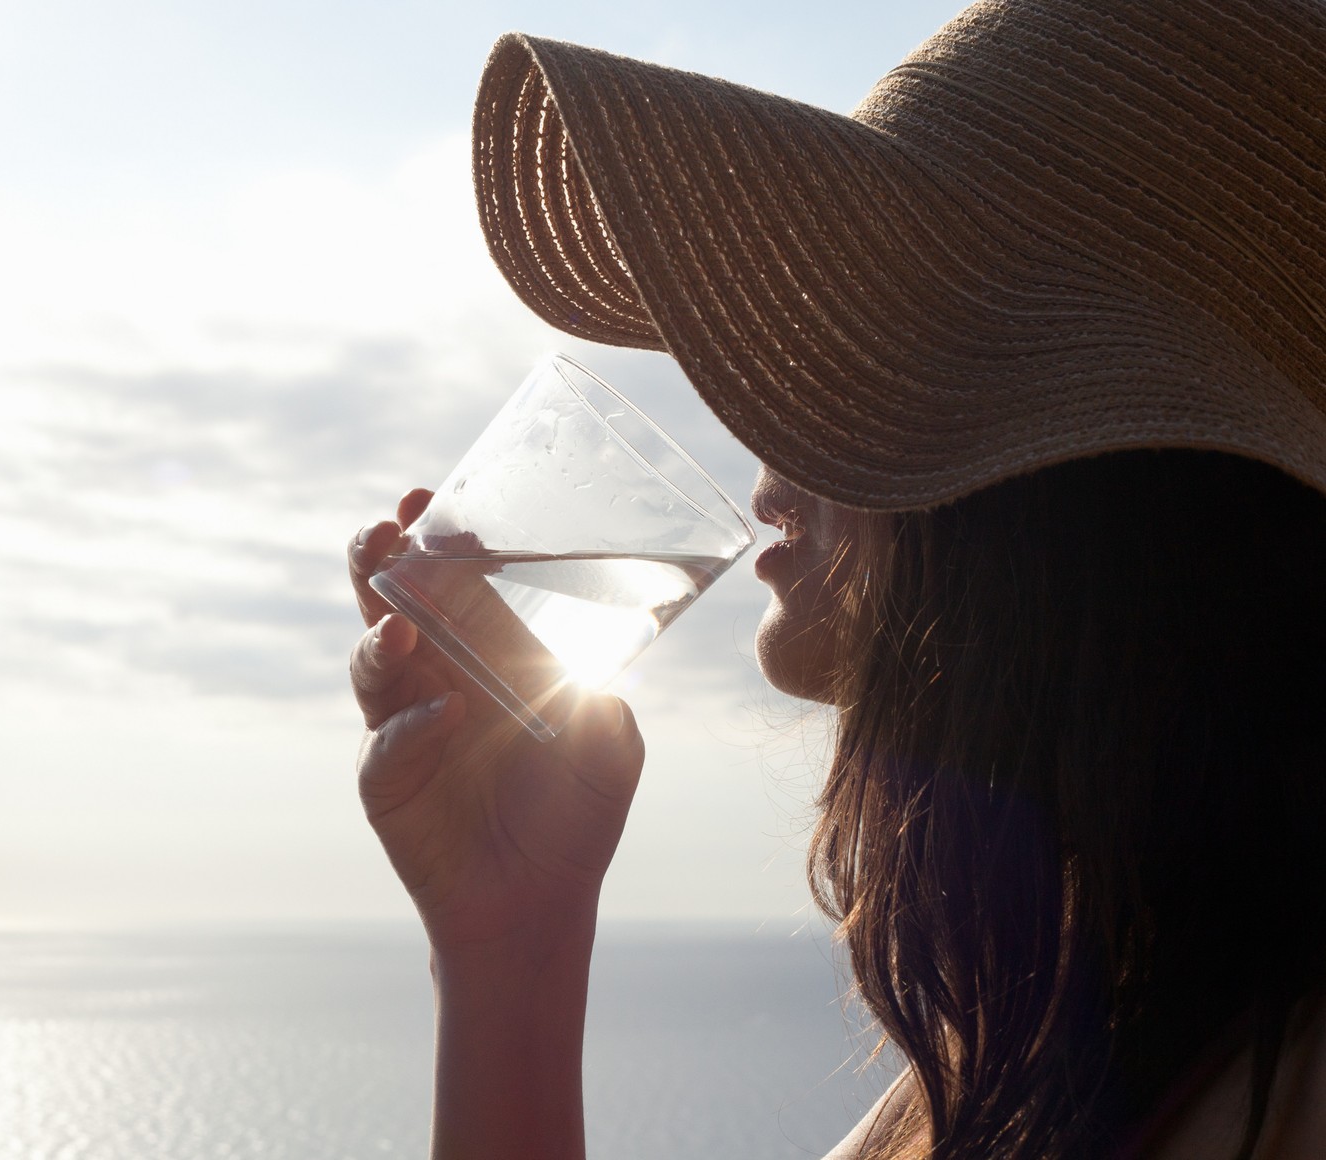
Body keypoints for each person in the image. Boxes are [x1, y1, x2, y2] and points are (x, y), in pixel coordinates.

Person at [347, 1, 1326, 1156]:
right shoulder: (1064, 1045)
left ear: (1062, 477)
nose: (767, 463)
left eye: (860, 362)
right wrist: (513, 935)